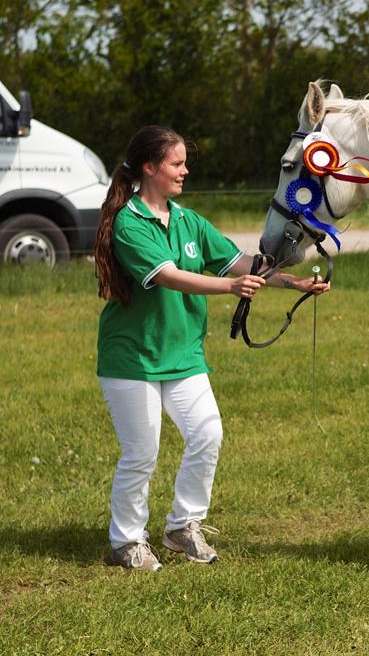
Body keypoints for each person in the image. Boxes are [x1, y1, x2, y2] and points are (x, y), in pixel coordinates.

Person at [93, 125, 330, 571]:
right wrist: (229, 286)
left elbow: (240, 262)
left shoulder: (188, 220)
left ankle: (183, 527)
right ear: (149, 167)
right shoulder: (128, 222)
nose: (185, 172)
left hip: (183, 355)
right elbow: (167, 275)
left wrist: (291, 280)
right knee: (142, 452)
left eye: (185, 163)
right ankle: (126, 542)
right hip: (132, 359)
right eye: (176, 163)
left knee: (207, 434)